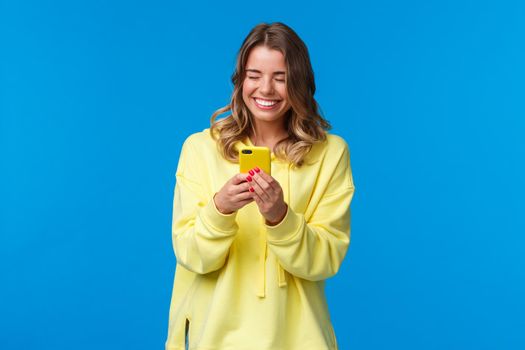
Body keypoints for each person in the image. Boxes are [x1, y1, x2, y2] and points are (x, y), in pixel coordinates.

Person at [165, 22, 356, 350]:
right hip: (212, 338)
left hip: (298, 339)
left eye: (280, 78)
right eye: (254, 75)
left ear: (300, 83)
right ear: (240, 81)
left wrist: (281, 218)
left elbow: (325, 259)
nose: (265, 89)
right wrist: (220, 209)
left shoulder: (330, 153)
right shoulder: (199, 149)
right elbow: (191, 255)